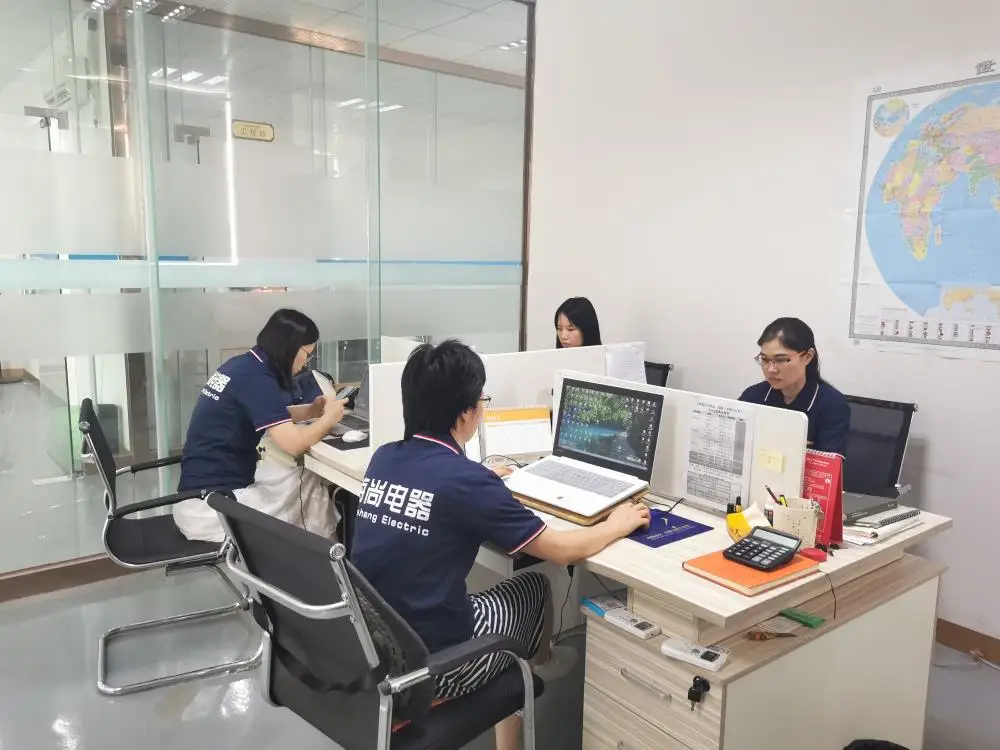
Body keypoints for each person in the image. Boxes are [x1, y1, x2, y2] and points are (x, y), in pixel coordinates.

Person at [351, 340, 649, 750]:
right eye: (481, 400)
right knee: (533, 586)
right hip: (436, 668)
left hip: (379, 648)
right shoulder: (467, 482)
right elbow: (563, 551)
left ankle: (517, 679)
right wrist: (618, 523)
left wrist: (481, 478)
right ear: (465, 413)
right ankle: (527, 666)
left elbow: (440, 489)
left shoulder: (385, 457)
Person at [173, 309, 348, 543]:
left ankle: (325, 558)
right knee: (305, 482)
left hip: (198, 495)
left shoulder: (242, 366)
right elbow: (294, 445)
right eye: (307, 354)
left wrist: (311, 411)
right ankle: (330, 560)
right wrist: (329, 419)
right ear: (290, 348)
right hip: (215, 507)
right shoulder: (257, 379)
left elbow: (258, 412)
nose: (307, 362)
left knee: (295, 482)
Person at [739, 317, 850, 456]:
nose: (771, 369)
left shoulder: (832, 405)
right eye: (765, 359)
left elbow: (827, 466)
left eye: (781, 360)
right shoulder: (752, 397)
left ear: (808, 356)